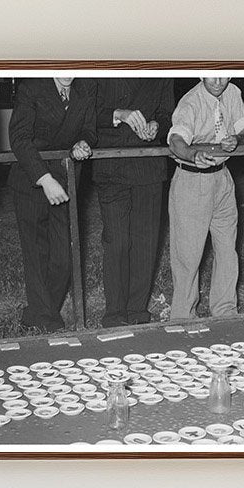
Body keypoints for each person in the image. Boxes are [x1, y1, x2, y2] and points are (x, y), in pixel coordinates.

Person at [8, 77, 95, 332]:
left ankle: (37, 313)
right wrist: (44, 179)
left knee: (63, 259)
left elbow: (90, 129)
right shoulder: (31, 88)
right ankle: (48, 322)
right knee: (36, 255)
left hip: (64, 181)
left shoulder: (85, 89)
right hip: (32, 179)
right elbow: (19, 138)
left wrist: (83, 143)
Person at [166, 77, 244, 321]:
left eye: (224, 74)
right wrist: (193, 155)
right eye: (212, 74)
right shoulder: (191, 102)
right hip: (192, 180)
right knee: (188, 255)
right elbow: (176, 141)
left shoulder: (233, 92)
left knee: (227, 250)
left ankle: (225, 312)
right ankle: (183, 318)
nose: (218, 81)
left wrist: (238, 139)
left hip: (223, 179)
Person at [93, 78, 175, 327]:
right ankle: (115, 314)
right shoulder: (100, 64)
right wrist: (119, 114)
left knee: (145, 243)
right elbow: (86, 113)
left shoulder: (161, 66)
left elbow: (168, 114)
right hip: (110, 165)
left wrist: (156, 126)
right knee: (117, 241)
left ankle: (137, 312)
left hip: (148, 165)